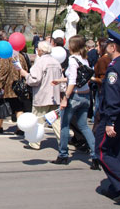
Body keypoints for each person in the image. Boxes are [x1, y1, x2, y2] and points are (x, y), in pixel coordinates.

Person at [51, 35, 96, 168]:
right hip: (86, 95)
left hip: (74, 96)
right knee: (84, 126)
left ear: (72, 46)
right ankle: (95, 156)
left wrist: (65, 98)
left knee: (64, 125)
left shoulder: (72, 59)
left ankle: (63, 155)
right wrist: (60, 80)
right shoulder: (84, 59)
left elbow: (72, 81)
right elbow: (79, 78)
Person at [19, 40, 62, 150]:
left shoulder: (40, 62)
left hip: (42, 95)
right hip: (55, 96)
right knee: (56, 121)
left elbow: (35, 80)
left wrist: (25, 75)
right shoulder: (56, 62)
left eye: (38, 49)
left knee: (38, 120)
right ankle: (62, 142)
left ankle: (35, 142)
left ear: (41, 51)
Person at [94, 30, 120, 203]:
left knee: (101, 151)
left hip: (113, 117)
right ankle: (114, 187)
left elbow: (113, 95)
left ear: (113, 46)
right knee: (116, 151)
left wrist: (110, 120)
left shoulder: (113, 68)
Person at [0, 48, 27, 134]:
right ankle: (20, 128)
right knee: (18, 107)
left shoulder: (5, 57)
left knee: (1, 104)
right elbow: (25, 69)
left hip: (8, 86)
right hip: (18, 86)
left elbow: (3, 72)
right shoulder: (21, 56)